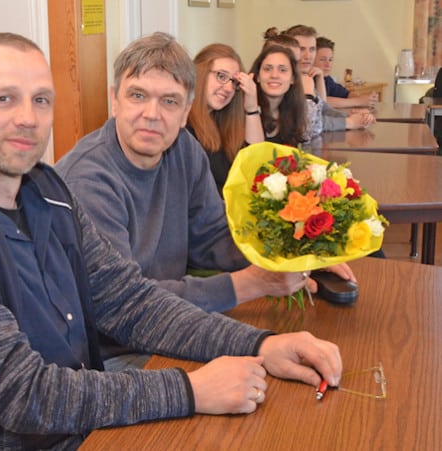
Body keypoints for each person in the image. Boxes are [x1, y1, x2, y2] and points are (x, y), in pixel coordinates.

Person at [0, 32, 344, 450]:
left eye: (41, 100)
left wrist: (259, 344)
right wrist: (190, 390)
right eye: (3, 99)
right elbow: (22, 394)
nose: (26, 118)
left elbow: (131, 302)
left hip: (79, 424)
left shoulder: (46, 194)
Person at [55, 32, 353, 363]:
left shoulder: (183, 148)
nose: (152, 114)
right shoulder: (88, 180)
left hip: (171, 324)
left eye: (169, 101)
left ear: (186, 112)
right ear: (115, 100)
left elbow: (211, 235)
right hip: (111, 352)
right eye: (137, 95)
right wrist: (252, 284)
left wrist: (292, 255)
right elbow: (124, 307)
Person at [186, 43, 264, 194]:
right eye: (221, 76)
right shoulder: (183, 125)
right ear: (200, 73)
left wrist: (252, 108)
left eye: (234, 82)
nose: (229, 88)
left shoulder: (223, 121)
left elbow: (256, 164)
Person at [284, 24, 376, 132]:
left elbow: (322, 109)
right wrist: (349, 122)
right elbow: (308, 123)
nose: (308, 56)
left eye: (312, 49)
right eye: (302, 49)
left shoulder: (305, 77)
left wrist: (351, 116)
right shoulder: (283, 81)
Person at [250, 44, 309, 147]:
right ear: (258, 76)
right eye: (267, 69)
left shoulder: (293, 111)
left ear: (292, 78)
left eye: (282, 70)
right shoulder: (246, 109)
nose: (274, 75)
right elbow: (254, 154)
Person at [314, 36, 378, 109]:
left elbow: (346, 94)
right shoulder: (307, 79)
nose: (328, 64)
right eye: (323, 60)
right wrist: (359, 101)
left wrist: (366, 98)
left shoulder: (327, 79)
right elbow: (322, 101)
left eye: (330, 60)